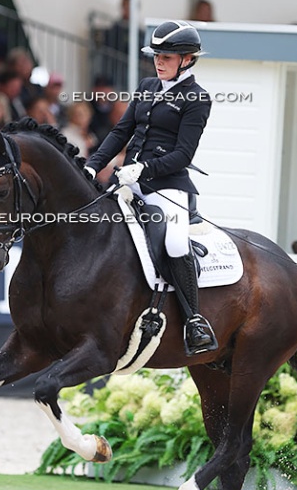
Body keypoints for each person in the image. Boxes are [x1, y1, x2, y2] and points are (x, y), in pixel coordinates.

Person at [85, 20, 218, 356]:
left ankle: (194, 320)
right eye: (157, 55)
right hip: (129, 179)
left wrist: (144, 168)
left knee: (174, 242)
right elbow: (120, 132)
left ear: (187, 59)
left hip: (167, 185)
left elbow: (183, 154)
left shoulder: (196, 98)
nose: (159, 61)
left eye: (168, 57)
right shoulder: (146, 85)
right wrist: (92, 164)